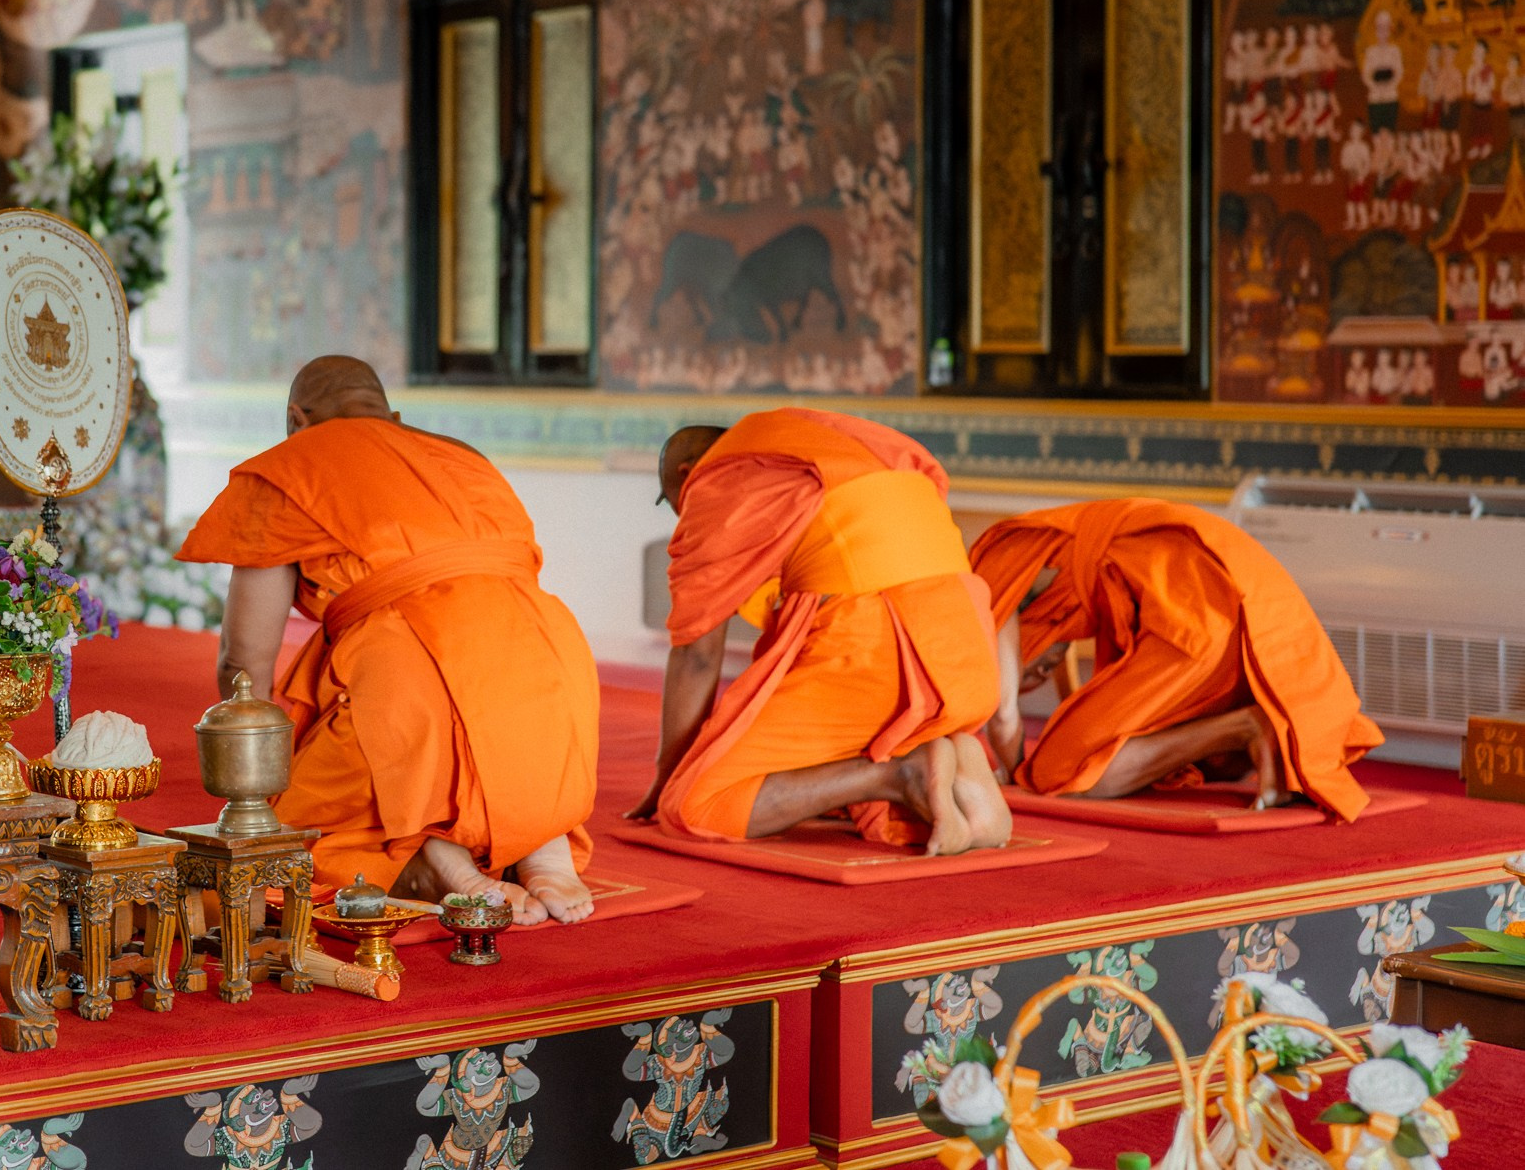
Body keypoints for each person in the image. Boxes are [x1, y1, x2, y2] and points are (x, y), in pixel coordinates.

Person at [176, 356, 600, 924]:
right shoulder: (462, 457)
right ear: (392, 417)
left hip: (410, 670)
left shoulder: (288, 467)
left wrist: (260, 786)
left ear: (295, 419)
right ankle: (538, 839)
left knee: (285, 846)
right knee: (467, 697)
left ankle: (423, 854)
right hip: (553, 666)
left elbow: (243, 664)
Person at [631, 409, 1009, 855]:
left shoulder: (723, 475)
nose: (684, 519)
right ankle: (947, 761)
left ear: (686, 474)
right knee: (814, 783)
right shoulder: (822, 445)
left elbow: (697, 655)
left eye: (678, 505)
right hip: (968, 659)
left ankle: (898, 773)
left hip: (877, 651)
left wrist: (670, 775)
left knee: (695, 806)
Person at [969, 498, 1381, 817]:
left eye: (1029, 673)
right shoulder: (1049, 564)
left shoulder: (986, 577)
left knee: (1057, 773)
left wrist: (1016, 772)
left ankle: (1248, 726)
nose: (1040, 673)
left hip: (1190, 607)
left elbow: (1002, 713)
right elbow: (1076, 694)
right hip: (1233, 586)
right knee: (1206, 763)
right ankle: (1252, 730)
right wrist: (1075, 720)